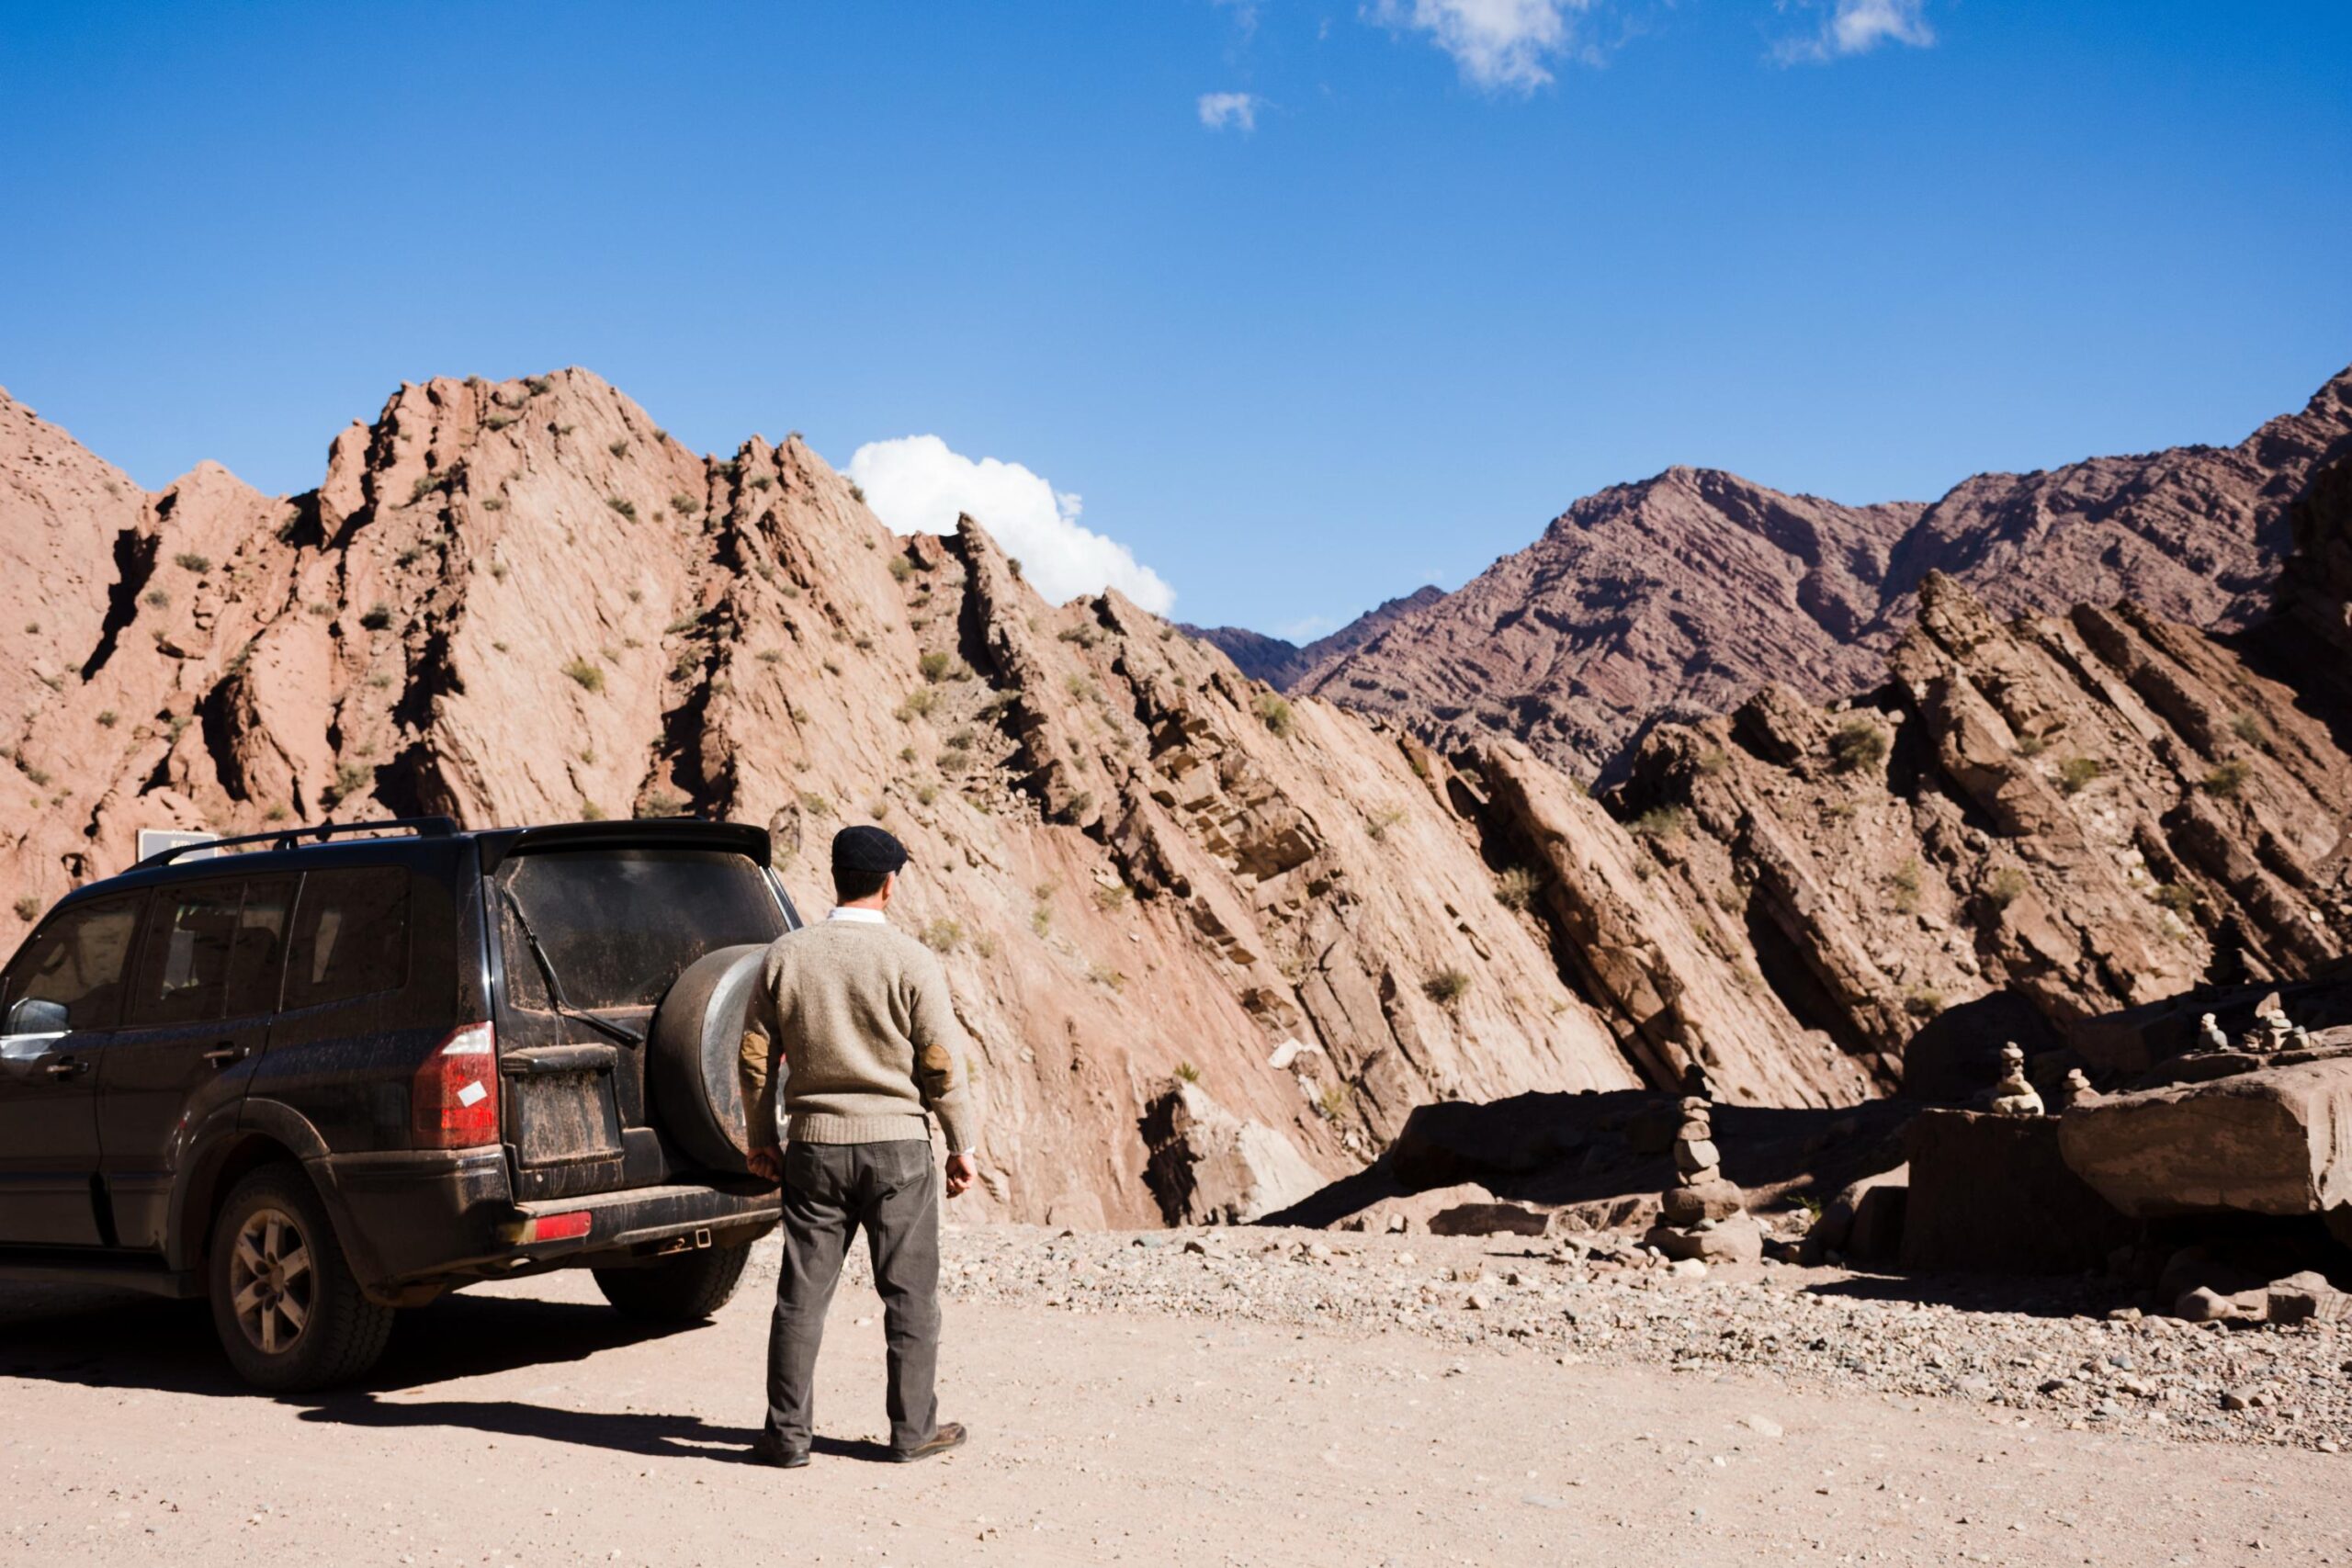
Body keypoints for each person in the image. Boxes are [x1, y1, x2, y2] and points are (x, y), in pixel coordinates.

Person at [739, 824, 981, 1467]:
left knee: (801, 1295)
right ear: (889, 883)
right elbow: (939, 1061)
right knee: (908, 1295)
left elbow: (756, 1056)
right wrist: (962, 1142)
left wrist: (762, 1137)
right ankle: (911, 1431)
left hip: (815, 1146)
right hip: (899, 1147)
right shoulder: (911, 959)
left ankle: (787, 1437)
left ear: (835, 876)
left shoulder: (787, 954)